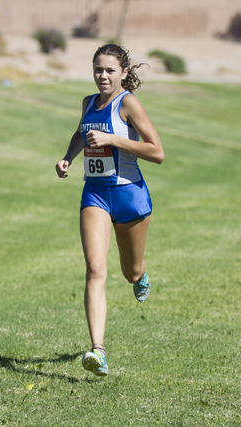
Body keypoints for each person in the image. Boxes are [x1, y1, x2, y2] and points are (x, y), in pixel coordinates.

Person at [55, 44, 164, 377]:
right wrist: (67, 158)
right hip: (96, 194)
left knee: (129, 272)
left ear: (124, 73)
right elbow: (80, 133)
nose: (103, 76)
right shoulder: (88, 103)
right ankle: (98, 350)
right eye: (98, 69)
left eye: (110, 70)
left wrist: (114, 140)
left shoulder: (128, 103)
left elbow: (157, 152)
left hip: (130, 197)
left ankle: (140, 273)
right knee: (95, 269)